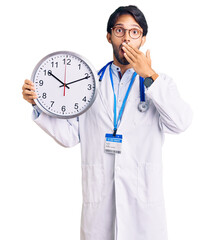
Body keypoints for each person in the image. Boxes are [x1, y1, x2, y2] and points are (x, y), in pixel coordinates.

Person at [22, 5, 192, 240]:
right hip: (99, 214)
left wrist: (150, 76)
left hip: (144, 217)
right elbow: (70, 136)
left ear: (142, 39)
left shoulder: (160, 84)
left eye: (134, 32)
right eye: (120, 30)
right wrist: (37, 103)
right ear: (109, 36)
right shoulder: (88, 83)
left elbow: (181, 122)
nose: (126, 38)